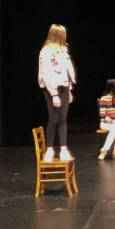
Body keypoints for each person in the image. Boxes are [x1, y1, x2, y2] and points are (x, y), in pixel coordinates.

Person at [37, 23, 76, 163]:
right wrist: (53, 94)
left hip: (64, 87)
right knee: (54, 118)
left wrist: (69, 89)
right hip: (52, 88)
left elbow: (67, 71)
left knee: (63, 119)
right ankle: (49, 149)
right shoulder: (46, 51)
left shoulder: (63, 50)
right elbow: (45, 73)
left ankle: (64, 149)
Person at [97, 79, 115, 160]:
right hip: (105, 123)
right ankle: (104, 151)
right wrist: (112, 121)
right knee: (114, 128)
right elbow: (102, 114)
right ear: (112, 87)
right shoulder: (104, 98)